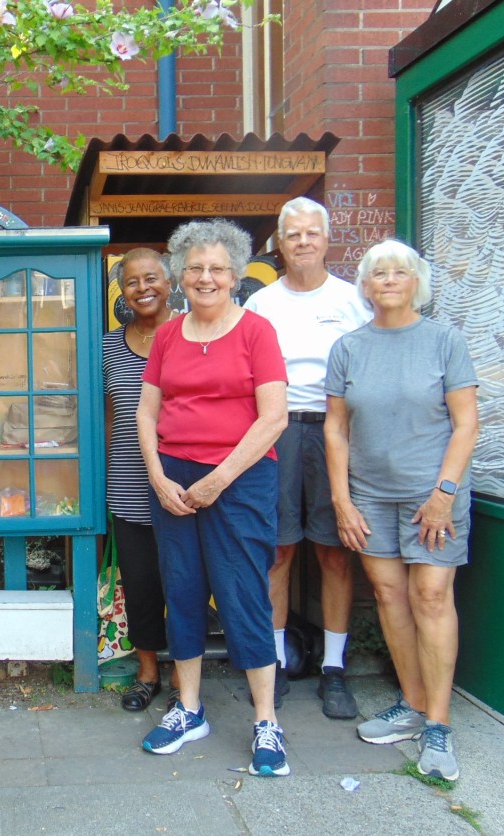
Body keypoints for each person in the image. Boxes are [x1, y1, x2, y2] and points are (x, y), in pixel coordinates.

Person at [137, 219, 291, 777]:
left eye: (217, 269)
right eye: (196, 267)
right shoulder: (169, 336)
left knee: (242, 591)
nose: (206, 277)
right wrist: (157, 476)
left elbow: (273, 418)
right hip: (174, 479)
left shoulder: (257, 332)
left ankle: (266, 719)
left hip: (241, 479)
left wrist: (218, 479)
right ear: (182, 274)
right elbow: (147, 413)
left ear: (235, 276)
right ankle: (189, 709)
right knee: (181, 590)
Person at [325, 239, 478, 782]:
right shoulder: (349, 348)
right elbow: (336, 429)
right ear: (365, 286)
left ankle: (438, 725)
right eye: (378, 273)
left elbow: (465, 423)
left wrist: (444, 492)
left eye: (400, 272)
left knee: (431, 597)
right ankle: (412, 705)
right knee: (389, 595)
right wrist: (342, 499)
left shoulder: (444, 342)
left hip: (431, 495)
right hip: (369, 495)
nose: (389, 280)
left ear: (417, 283)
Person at [244, 196, 371, 718]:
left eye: (311, 233)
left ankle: (334, 669)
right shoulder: (261, 304)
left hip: (334, 434)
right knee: (278, 550)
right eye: (292, 234)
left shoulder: (352, 299)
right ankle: (273, 663)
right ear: (280, 242)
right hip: (275, 432)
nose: (302, 242)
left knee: (334, 552)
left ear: (326, 239)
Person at [103, 249, 180, 712]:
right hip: (130, 482)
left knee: (186, 582)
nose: (143, 288)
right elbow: (109, 415)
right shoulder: (110, 346)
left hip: (187, 481)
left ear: (169, 283)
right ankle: (148, 670)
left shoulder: (191, 334)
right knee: (141, 582)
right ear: (122, 292)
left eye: (151, 278)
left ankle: (185, 675)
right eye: (132, 282)